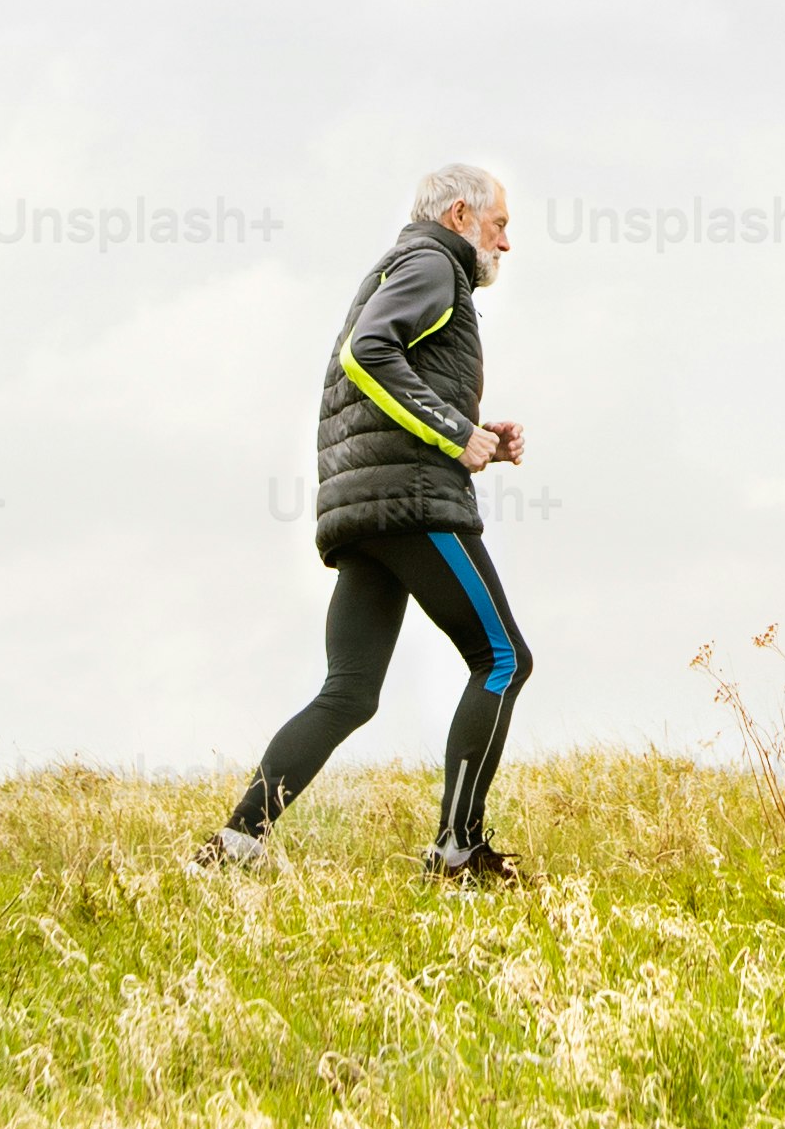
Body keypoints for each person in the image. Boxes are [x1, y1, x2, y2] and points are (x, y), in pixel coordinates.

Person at [195, 161, 539, 883]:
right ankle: (459, 850)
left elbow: (388, 364)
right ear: (458, 217)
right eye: (499, 225)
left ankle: (231, 850)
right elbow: (369, 352)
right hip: (413, 500)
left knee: (349, 691)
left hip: (369, 509)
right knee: (503, 659)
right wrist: (455, 430)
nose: (505, 244)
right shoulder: (432, 266)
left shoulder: (405, 266)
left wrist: (480, 436)